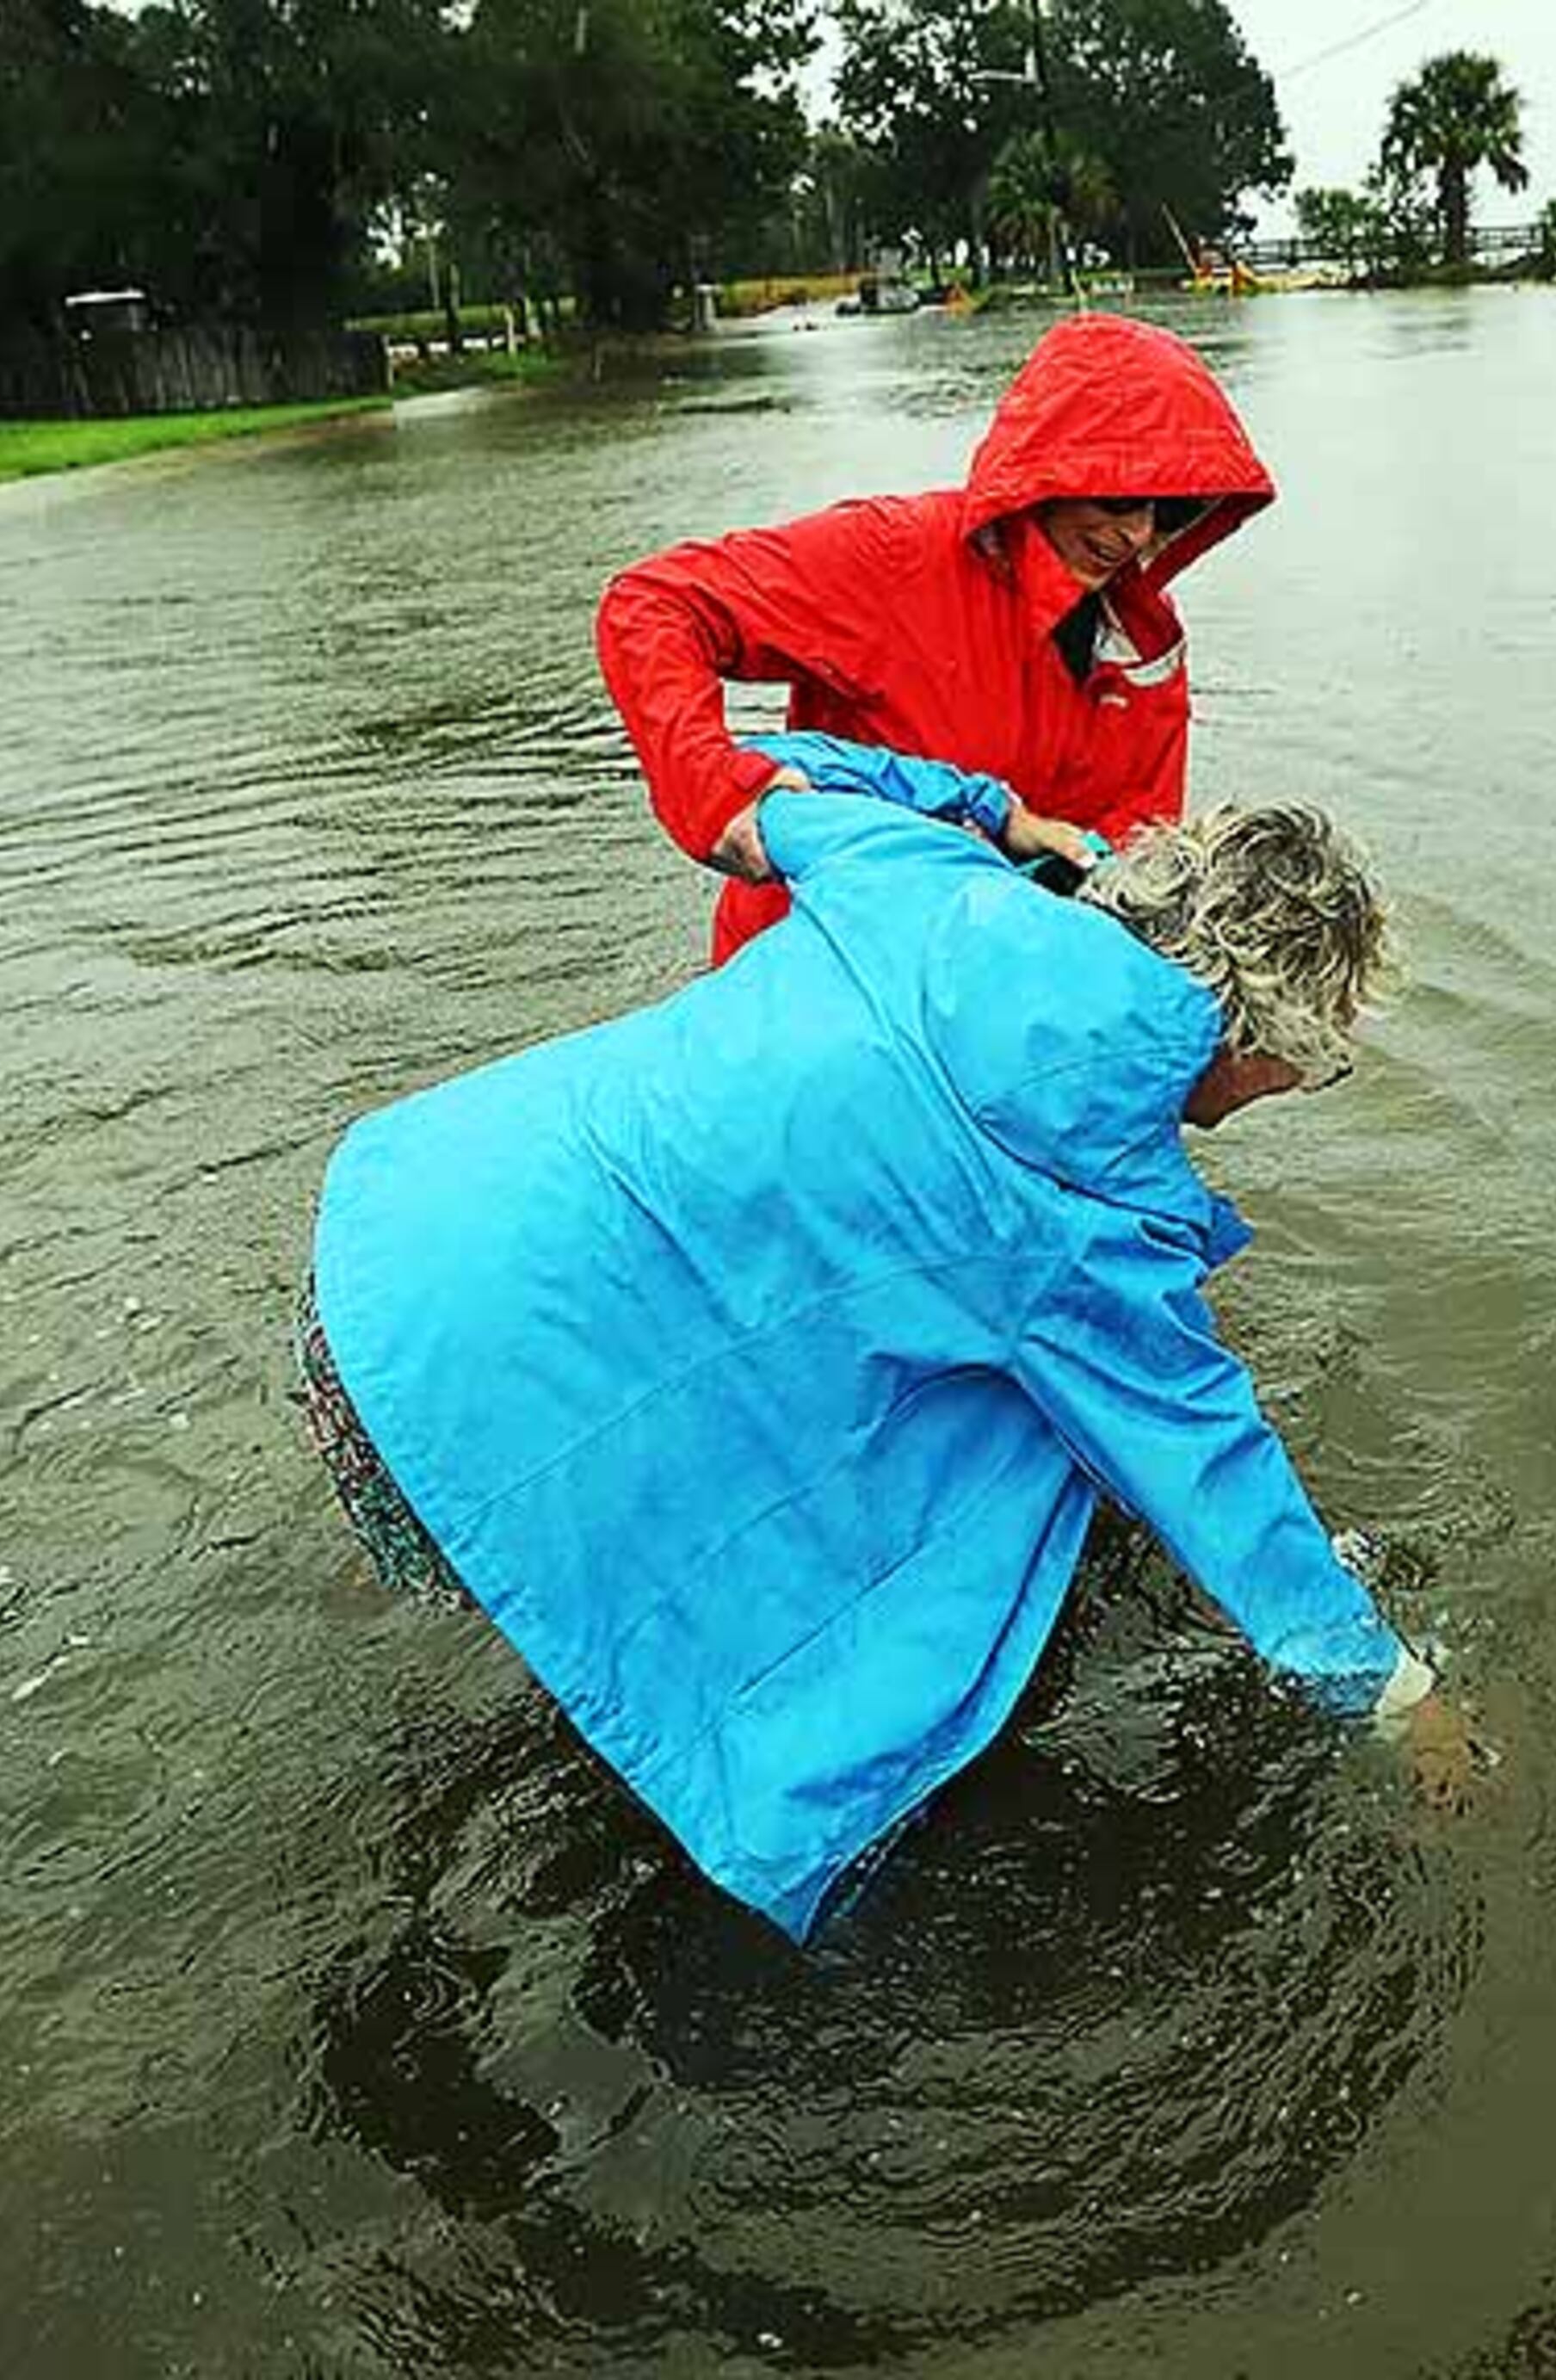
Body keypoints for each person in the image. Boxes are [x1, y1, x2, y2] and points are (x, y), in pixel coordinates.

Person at [299, 735, 1450, 1940]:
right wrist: (1393, 1693)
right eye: (1303, 1068)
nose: (1282, 1092)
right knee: (1026, 1451)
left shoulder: (923, 874)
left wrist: (991, 811)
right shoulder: (1090, 1210)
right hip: (474, 1385)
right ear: (1259, 1036)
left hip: (383, 1250)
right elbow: (1215, 1475)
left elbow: (771, 783)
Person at [596, 313, 1276, 967]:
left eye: (1175, 511)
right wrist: (713, 792)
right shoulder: (893, 557)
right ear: (1052, 470)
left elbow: (1135, 839)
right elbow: (655, 605)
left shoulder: (1144, 643)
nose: (1137, 534)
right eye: (1122, 496)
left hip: (985, 989)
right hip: (817, 974)